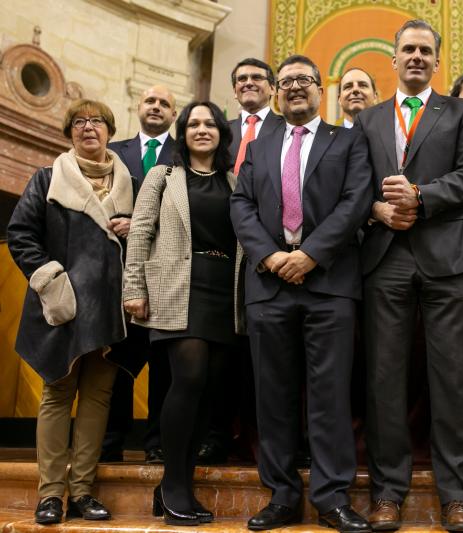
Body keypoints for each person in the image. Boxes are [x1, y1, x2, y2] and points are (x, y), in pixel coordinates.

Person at [355, 19, 463, 532]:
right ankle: (387, 493)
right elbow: (354, 185)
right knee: (385, 380)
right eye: (406, 49)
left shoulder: (462, 113)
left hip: (449, 259)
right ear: (393, 60)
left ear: (437, 62)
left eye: (424, 51)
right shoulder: (367, 120)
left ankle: (456, 497)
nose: (415, 57)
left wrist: (423, 197)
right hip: (385, 259)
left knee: (452, 382)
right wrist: (375, 210)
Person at [230, 54, 372, 533]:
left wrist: (309, 254)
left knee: (331, 395)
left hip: (329, 284)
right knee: (273, 396)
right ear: (275, 92)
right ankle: (283, 496)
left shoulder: (349, 141)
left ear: (319, 89)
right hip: (269, 286)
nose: (295, 87)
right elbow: (241, 205)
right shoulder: (259, 145)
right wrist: (271, 258)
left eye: (304, 80)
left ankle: (332, 498)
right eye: (286, 81)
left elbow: (355, 203)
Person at [8, 99, 135, 524]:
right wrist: (49, 279)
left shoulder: (132, 183)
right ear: (69, 133)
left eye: (95, 121)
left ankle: (81, 492)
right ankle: (50, 496)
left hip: (111, 309)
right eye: (78, 122)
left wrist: (135, 229)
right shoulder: (48, 178)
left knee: (98, 399)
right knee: (58, 394)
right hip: (63, 305)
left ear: (109, 130)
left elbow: (153, 241)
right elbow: (21, 234)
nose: (87, 128)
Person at [123, 101, 238, 526]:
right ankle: (173, 486)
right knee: (187, 380)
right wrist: (133, 287)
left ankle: (177, 485)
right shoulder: (163, 175)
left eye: (210, 124)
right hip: (176, 287)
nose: (202, 130)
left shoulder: (233, 179)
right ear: (183, 131)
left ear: (221, 134)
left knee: (209, 390)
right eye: (194, 124)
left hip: (225, 290)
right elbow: (140, 230)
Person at [196, 58, 284, 467]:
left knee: (268, 357)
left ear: (273, 87)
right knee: (222, 355)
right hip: (221, 257)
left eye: (257, 78)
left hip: (275, 256)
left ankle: (265, 439)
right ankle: (217, 434)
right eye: (241, 79)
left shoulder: (289, 129)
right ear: (233, 90)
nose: (249, 83)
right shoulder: (218, 133)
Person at [102, 84, 178, 465]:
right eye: (151, 100)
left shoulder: (185, 155)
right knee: (117, 366)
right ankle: (110, 441)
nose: (156, 107)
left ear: (174, 115)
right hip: (120, 279)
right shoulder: (114, 153)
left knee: (164, 368)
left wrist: (142, 225)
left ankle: (156, 444)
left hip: (168, 278)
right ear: (138, 106)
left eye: (165, 103)